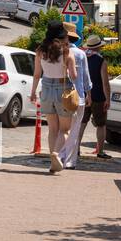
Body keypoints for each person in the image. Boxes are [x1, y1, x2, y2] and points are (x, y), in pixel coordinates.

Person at [30, 20, 77, 174]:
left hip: (46, 89)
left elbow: (37, 74)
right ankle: (56, 153)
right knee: (65, 129)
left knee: (52, 129)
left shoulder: (40, 51)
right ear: (62, 36)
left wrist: (32, 93)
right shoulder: (66, 51)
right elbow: (74, 75)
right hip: (63, 89)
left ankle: (52, 162)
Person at [59, 22, 91, 169]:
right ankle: (70, 160)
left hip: (61, 95)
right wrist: (88, 93)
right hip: (78, 96)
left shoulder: (58, 52)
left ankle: (60, 155)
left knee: (61, 129)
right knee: (75, 129)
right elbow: (85, 77)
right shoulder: (80, 54)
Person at [77, 34, 111, 159]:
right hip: (98, 96)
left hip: (83, 95)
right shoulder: (101, 61)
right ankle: (100, 151)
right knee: (101, 125)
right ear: (99, 47)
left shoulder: (82, 58)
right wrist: (107, 98)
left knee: (82, 123)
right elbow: (105, 82)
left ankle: (77, 149)